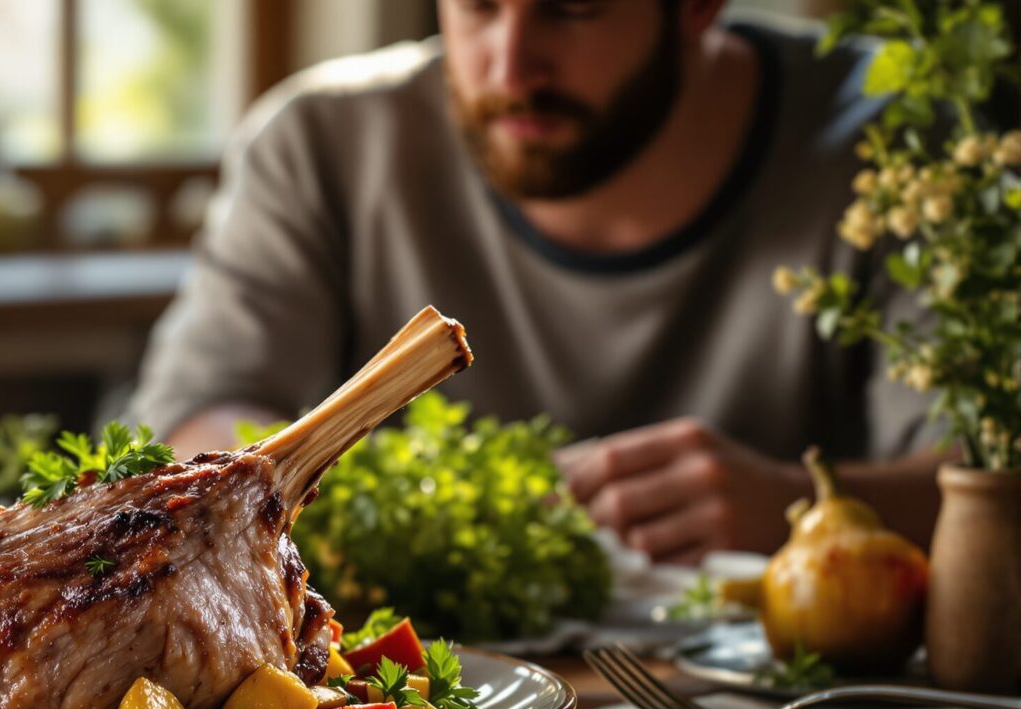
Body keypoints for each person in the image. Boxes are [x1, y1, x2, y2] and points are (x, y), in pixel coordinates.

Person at [129, 0, 944, 564]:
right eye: (478, 7)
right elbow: (193, 424)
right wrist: (422, 507)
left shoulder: (901, 144)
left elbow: (987, 487)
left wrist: (798, 505)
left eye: (572, 9)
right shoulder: (319, 142)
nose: (511, 65)